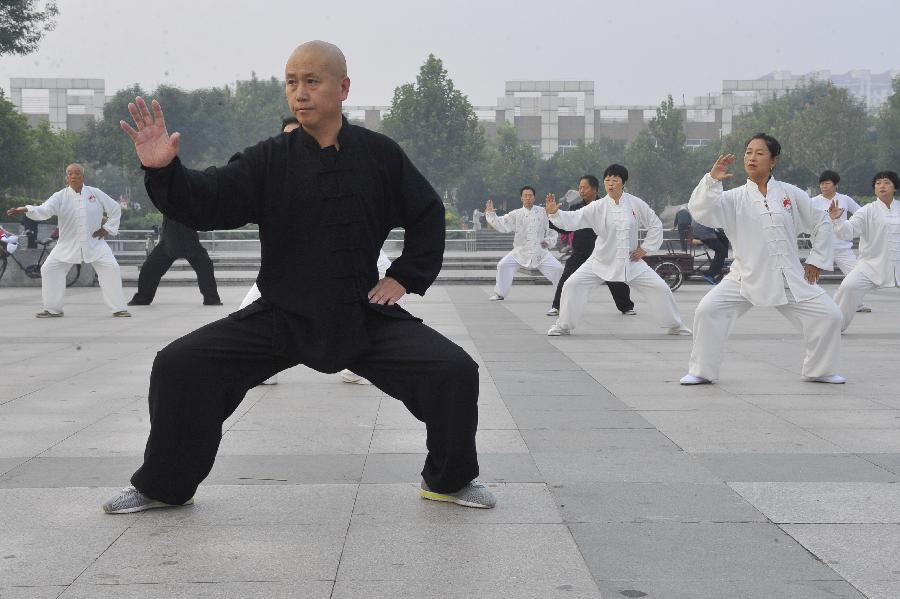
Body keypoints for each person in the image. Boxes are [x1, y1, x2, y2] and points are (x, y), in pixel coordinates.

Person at [102, 41, 493, 514]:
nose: (300, 93)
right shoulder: (269, 159)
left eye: (312, 81)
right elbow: (209, 199)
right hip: (281, 315)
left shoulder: (380, 155)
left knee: (454, 372)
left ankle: (449, 481)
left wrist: (405, 277)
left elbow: (427, 213)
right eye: (291, 82)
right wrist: (162, 169)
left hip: (360, 314)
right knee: (179, 365)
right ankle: (163, 486)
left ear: (343, 87)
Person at [680, 134, 844, 385]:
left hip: (788, 275)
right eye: (748, 152)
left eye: (759, 153)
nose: (751, 158)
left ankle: (819, 370)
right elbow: (702, 212)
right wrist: (712, 180)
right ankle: (701, 371)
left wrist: (816, 259)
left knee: (830, 316)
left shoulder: (790, 193)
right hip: (744, 276)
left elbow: (821, 221)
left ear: (773, 160)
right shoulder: (733, 198)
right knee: (708, 310)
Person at [545, 164, 691, 337]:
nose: (610, 184)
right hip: (600, 260)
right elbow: (574, 218)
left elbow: (655, 224)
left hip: (631, 261)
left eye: (615, 180)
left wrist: (645, 248)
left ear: (623, 183)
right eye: (607, 180)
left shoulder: (636, 203)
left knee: (660, 288)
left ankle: (675, 325)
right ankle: (563, 325)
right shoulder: (597, 206)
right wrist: (555, 214)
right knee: (572, 285)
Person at [6, 164, 130, 318]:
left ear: (83, 177)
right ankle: (52, 309)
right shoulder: (60, 196)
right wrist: (27, 209)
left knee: (111, 268)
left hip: (95, 244)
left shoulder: (95, 193)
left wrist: (108, 228)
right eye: (70, 173)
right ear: (66, 177)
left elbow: (115, 208)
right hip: (66, 244)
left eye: (77, 173)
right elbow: (45, 210)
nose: (73, 176)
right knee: (49, 269)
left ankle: (119, 308)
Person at [546, 175, 635, 317]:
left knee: (615, 278)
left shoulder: (607, 205)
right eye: (579, 187)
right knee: (567, 278)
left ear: (594, 189)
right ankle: (557, 306)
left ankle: (626, 306)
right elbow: (566, 227)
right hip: (581, 252)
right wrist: (552, 216)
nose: (581, 190)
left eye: (584, 187)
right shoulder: (575, 208)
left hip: (605, 251)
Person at [829, 171, 900, 332]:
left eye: (886, 182)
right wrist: (836, 220)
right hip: (871, 265)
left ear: (895, 187)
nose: (882, 186)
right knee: (849, 286)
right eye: (878, 183)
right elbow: (848, 231)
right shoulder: (867, 210)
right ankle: (833, 327)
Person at [485, 186, 563, 308]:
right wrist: (490, 214)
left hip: (540, 252)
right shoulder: (516, 214)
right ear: (521, 198)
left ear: (534, 197)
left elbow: (552, 230)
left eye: (530, 195)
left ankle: (563, 294)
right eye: (525, 195)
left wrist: (548, 242)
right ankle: (500, 293)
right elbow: (502, 223)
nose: (528, 198)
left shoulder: (543, 212)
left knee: (558, 269)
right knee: (503, 265)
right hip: (519, 252)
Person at [127, 215, 222, 306]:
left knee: (150, 268)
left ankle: (143, 298)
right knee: (204, 265)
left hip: (177, 236)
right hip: (178, 236)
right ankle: (211, 298)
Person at [810, 170, 869, 313]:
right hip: (821, 247)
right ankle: (809, 304)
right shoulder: (813, 202)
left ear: (835, 185)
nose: (824, 186)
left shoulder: (845, 199)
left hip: (842, 246)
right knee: (810, 276)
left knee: (856, 275)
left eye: (827, 183)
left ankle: (857, 304)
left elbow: (861, 213)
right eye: (822, 184)